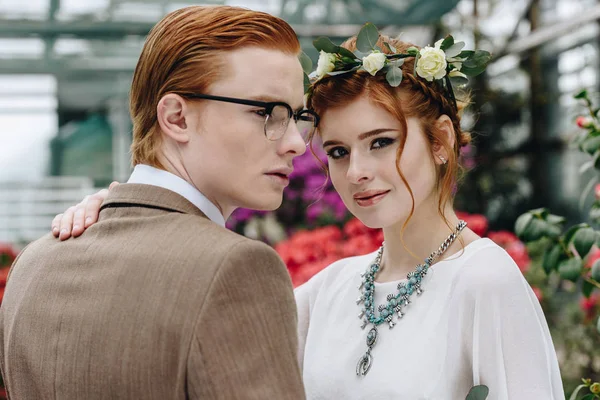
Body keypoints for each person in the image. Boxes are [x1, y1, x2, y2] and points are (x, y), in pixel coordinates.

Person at [51, 26, 565, 399]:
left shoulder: (484, 280)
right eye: (338, 151)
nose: (356, 171)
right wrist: (119, 210)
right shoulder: (330, 289)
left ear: (441, 142)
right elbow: (194, 326)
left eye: (381, 142)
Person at [0, 5, 317, 399]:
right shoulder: (235, 267)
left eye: (298, 116)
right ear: (176, 118)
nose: (296, 143)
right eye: (267, 112)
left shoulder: (33, 265)